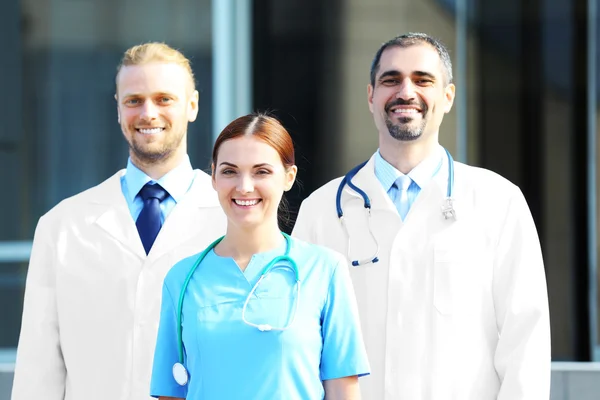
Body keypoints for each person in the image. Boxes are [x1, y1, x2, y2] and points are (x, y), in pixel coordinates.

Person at [292, 33, 551, 399]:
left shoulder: (499, 201)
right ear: (371, 96)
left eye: (423, 80)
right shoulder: (320, 211)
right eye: (391, 79)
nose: (406, 91)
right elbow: (300, 344)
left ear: (448, 97)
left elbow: (526, 340)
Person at [11, 43, 227, 400]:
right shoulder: (62, 226)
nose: (148, 113)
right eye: (133, 100)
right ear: (117, 108)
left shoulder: (230, 220)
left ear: (192, 106)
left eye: (163, 99)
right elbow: (39, 367)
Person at [149, 113, 370, 399]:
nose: (244, 186)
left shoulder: (325, 271)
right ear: (213, 177)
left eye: (261, 171)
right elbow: (171, 394)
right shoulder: (182, 279)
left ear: (288, 178)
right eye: (229, 171)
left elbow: (343, 392)